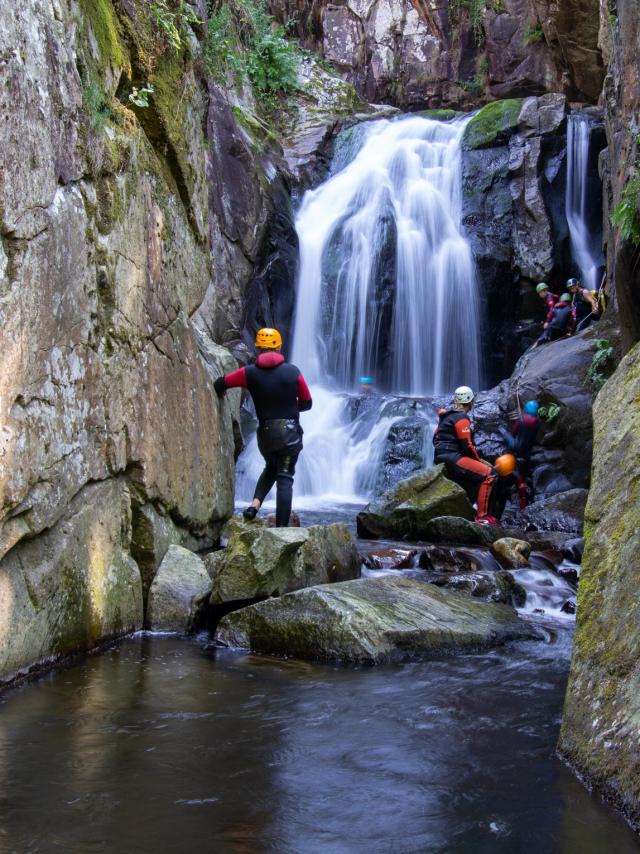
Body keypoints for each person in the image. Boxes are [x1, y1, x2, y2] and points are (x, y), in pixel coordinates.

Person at [214, 328, 312, 527]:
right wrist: (293, 406)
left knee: (271, 468)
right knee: (284, 476)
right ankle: (282, 529)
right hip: (289, 434)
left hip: (266, 435)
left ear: (258, 348)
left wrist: (221, 392)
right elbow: (307, 402)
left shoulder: (248, 373)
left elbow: (221, 383)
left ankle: (254, 506)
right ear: (279, 347)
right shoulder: (293, 372)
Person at [433, 386, 500, 526]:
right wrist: (478, 461)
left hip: (441, 455)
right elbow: (467, 445)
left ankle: (474, 509)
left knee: (475, 477)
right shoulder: (461, 417)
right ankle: (482, 516)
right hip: (453, 456)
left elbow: (435, 438)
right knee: (490, 474)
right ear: (469, 401)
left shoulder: (446, 416)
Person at [501, 400, 541, 510]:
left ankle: (523, 501)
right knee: (522, 473)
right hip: (527, 452)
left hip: (516, 448)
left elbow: (514, 433)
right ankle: (524, 499)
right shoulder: (537, 422)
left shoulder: (520, 421)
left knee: (503, 431)